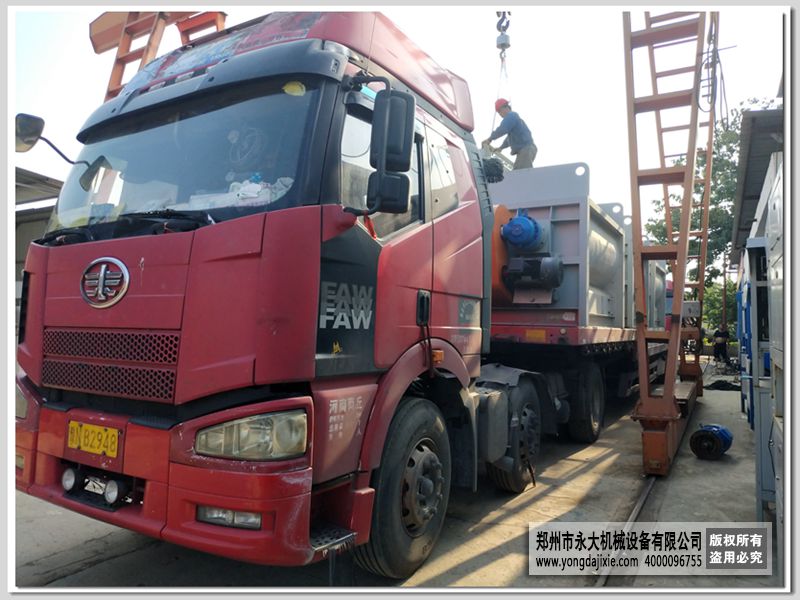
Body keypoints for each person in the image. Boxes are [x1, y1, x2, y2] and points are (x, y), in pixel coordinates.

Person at [482, 98, 537, 170]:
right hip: (527, 149)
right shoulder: (514, 118)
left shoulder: (511, 115)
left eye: (499, 111)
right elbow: (509, 139)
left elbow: (502, 129)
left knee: (521, 173)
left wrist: (489, 139)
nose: (500, 114)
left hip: (526, 149)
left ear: (505, 107)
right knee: (517, 171)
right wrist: (501, 147)